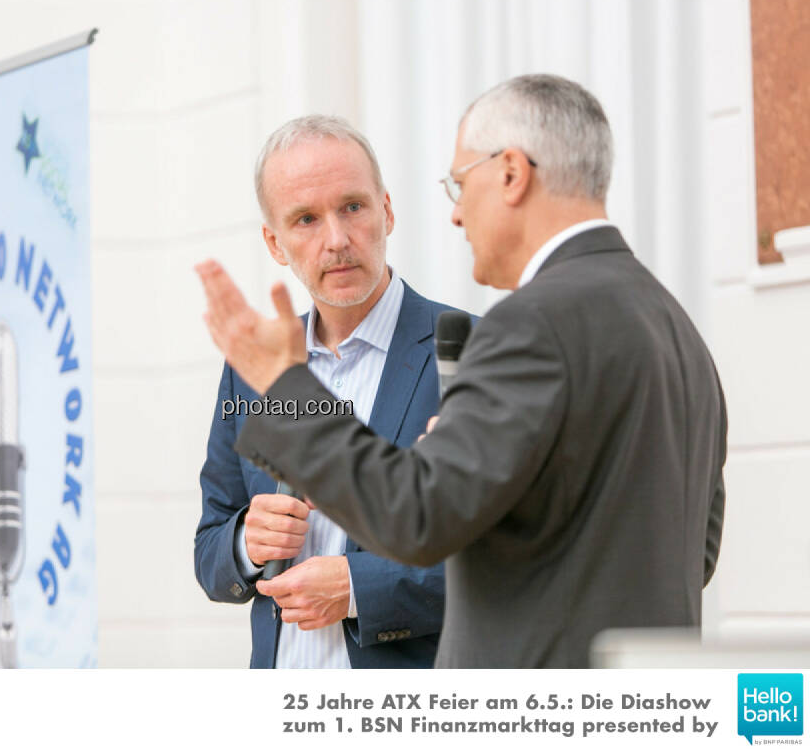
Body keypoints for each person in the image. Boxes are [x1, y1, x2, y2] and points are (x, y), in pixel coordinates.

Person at [195, 75, 727, 668]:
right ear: (276, 241)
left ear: (511, 175)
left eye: (459, 184)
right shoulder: (673, 324)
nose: (454, 215)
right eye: (305, 220)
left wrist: (288, 388)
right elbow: (691, 551)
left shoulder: (519, 330)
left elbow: (419, 516)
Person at [194, 115, 468, 668]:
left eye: (353, 207)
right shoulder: (252, 368)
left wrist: (357, 588)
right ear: (275, 242)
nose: (337, 240)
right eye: (305, 219)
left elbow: (505, 557)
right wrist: (247, 541)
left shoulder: (471, 351)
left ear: (386, 211)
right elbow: (209, 552)